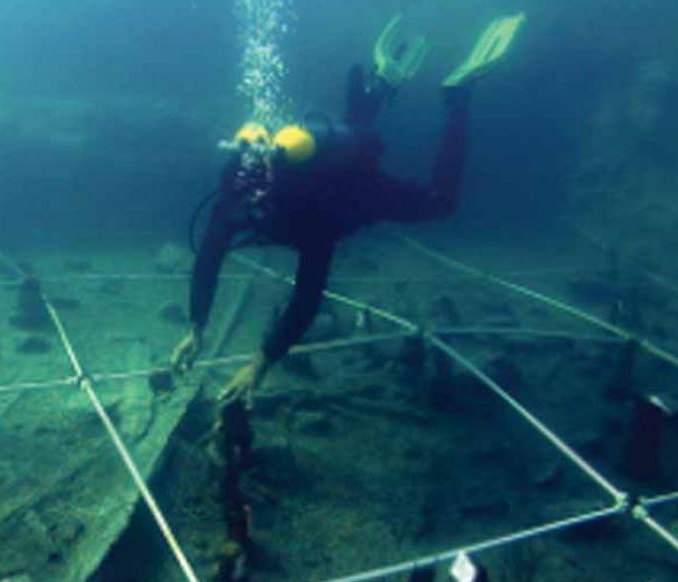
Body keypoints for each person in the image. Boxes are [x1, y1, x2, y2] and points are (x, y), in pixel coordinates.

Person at [171, 13, 526, 406]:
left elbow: (307, 298)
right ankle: (381, 84)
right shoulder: (235, 192)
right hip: (334, 169)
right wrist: (196, 328)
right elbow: (207, 262)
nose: (250, 215)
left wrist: (260, 363)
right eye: (247, 206)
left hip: (356, 195)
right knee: (356, 134)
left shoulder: (309, 217)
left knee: (440, 202)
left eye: (259, 209)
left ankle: (456, 97)